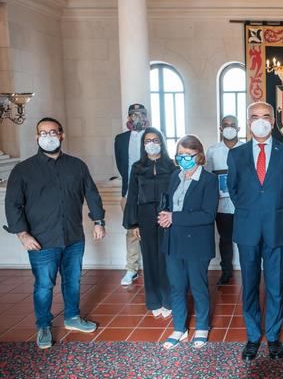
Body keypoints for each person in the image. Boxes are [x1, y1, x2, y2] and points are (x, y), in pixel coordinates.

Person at [4, 117, 106, 349]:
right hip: (41, 240)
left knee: (72, 281)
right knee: (44, 285)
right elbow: (12, 204)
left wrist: (98, 221)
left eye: (53, 132)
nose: (48, 136)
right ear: (36, 137)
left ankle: (72, 317)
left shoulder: (77, 166)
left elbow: (92, 194)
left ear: (61, 135)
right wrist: (23, 234)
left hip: (73, 237)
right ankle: (43, 326)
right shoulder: (23, 169)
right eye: (43, 132)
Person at [227, 101, 283, 361]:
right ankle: (251, 336)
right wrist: (253, 209)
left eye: (266, 116)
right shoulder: (236, 154)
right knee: (249, 285)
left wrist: (274, 209)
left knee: (274, 286)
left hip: (276, 227)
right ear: (248, 123)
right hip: (246, 228)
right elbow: (233, 190)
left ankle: (272, 336)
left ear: (274, 121)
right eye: (255, 116)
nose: (261, 120)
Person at [158, 135, 219, 350]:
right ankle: (179, 328)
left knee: (198, 286)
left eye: (188, 155)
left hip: (197, 244)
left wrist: (174, 217)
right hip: (173, 240)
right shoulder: (175, 176)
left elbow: (207, 215)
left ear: (199, 155)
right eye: (180, 155)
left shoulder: (209, 180)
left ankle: (202, 326)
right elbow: (168, 202)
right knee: (176, 286)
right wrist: (164, 216)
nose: (183, 159)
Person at [123, 127, 175, 319]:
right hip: (144, 216)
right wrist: (133, 224)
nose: (151, 144)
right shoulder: (137, 167)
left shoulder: (171, 166)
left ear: (161, 142)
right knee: (150, 258)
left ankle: (169, 300)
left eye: (155, 140)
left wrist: (172, 215)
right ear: (143, 145)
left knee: (166, 258)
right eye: (147, 141)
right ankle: (154, 300)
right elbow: (133, 196)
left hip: (166, 216)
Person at [114, 103, 149, 286]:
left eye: (140, 114)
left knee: (153, 229)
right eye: (133, 115)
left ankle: (154, 267)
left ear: (146, 116)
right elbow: (122, 165)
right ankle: (131, 269)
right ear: (128, 117)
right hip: (129, 193)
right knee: (131, 231)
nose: (137, 118)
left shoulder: (153, 136)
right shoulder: (120, 139)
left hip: (150, 192)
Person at [205, 115, 243, 286]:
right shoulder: (213, 151)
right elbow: (208, 177)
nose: (229, 128)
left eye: (232, 125)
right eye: (225, 125)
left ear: (239, 128)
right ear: (220, 129)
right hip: (221, 205)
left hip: (243, 204)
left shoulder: (246, 149)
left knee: (245, 238)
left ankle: (248, 270)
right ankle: (226, 271)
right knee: (225, 239)